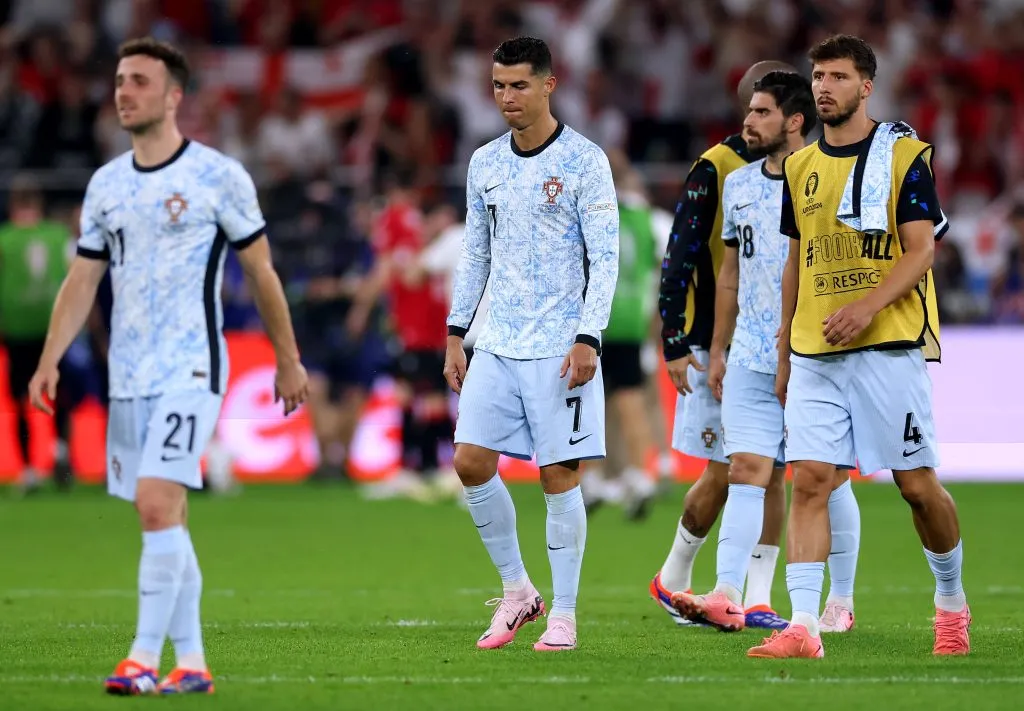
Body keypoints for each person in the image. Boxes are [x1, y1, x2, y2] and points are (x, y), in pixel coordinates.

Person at [28, 38, 309, 693]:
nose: (124, 91)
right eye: (120, 80)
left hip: (191, 367)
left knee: (157, 503)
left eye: (140, 82)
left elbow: (260, 270)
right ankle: (194, 664)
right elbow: (81, 278)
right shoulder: (105, 185)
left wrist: (287, 358)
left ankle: (141, 658)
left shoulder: (218, 176)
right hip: (128, 374)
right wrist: (49, 359)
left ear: (175, 96)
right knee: (165, 517)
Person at [749, 35, 968, 659]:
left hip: (887, 346)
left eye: (838, 77)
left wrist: (868, 305)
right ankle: (803, 626)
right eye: (818, 76)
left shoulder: (904, 156)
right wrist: (787, 349)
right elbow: (797, 258)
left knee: (917, 487)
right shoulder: (799, 165)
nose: (824, 87)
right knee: (811, 480)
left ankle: (951, 601)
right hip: (815, 351)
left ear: (865, 86)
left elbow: (921, 248)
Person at [669, 72, 861, 633]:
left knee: (825, 478)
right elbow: (729, 273)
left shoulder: (828, 180)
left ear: (794, 121)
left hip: (813, 347)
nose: (747, 122)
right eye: (749, 112)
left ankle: (840, 599)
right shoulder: (741, 185)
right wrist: (720, 345)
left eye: (761, 113)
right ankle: (728, 593)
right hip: (750, 351)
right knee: (746, 468)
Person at [443, 36, 618, 652]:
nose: (507, 98)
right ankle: (519, 591)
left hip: (559, 343)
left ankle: (565, 614)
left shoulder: (584, 161)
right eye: (498, 86)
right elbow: (476, 253)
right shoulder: (484, 162)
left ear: (549, 84)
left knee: (557, 475)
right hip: (496, 339)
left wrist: (587, 335)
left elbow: (606, 257)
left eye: (519, 85)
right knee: (469, 461)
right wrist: (456, 332)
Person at [651, 60, 797, 630]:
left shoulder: (811, 170)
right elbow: (681, 253)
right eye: (754, 106)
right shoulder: (718, 168)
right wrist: (676, 339)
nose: (754, 116)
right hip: (726, 347)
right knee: (725, 471)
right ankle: (675, 576)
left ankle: (754, 597)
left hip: (787, 349)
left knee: (771, 470)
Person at [582, 151, 660, 520]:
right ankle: (641, 476)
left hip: (595, 320)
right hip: (632, 319)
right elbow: (653, 267)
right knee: (631, 402)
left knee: (587, 402)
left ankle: (592, 480)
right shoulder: (644, 219)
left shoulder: (591, 214)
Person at [0, 174, 73, 491]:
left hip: (17, 330)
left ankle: (29, 469)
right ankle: (60, 450)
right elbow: (76, 278)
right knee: (59, 394)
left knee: (19, 399)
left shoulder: (4, 239)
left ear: (14, 205)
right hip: (54, 330)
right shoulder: (58, 236)